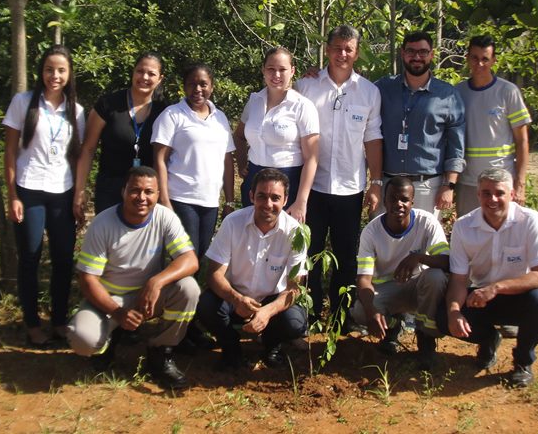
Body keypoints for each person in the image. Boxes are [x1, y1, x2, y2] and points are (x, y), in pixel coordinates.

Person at [66, 166, 200, 390]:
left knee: (189, 289)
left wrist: (156, 281)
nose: (142, 197)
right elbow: (87, 279)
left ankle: (160, 352)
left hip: (146, 297)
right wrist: (117, 312)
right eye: (135, 190)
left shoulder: (164, 217)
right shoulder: (103, 223)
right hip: (110, 299)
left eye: (149, 192)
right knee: (82, 340)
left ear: (158, 195)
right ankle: (109, 340)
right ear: (123, 191)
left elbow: (190, 260)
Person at [295, 25, 383, 323]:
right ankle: (308, 314)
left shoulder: (369, 92)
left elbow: (372, 138)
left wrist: (376, 182)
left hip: (350, 188)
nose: (342, 54)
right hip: (313, 188)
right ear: (327, 49)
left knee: (346, 257)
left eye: (348, 49)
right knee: (311, 253)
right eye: (337, 48)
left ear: (357, 52)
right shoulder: (306, 86)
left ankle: (340, 318)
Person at [438, 167, 538, 388]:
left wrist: (497, 288)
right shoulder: (464, 226)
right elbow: (458, 280)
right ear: (477, 195)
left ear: (512, 195)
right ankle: (488, 339)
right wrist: (454, 312)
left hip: (520, 297)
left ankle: (523, 361)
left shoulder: (530, 221)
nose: (492, 199)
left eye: (499, 193)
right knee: (444, 316)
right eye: (486, 193)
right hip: (480, 299)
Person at [2, 45, 85, 347]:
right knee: (30, 258)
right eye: (50, 69)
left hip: (62, 192)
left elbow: (77, 156)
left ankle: (60, 321)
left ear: (69, 74)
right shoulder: (23, 103)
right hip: (29, 189)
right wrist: (13, 195)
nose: (55, 75)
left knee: (64, 259)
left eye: (61, 70)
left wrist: (78, 194)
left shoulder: (75, 110)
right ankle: (32, 323)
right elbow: (10, 151)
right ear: (41, 71)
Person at [196, 168, 308, 371]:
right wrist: (236, 299)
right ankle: (231, 349)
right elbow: (213, 274)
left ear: (285, 200)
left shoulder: (295, 232)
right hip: (234, 298)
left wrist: (266, 311)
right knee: (206, 305)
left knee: (295, 322)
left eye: (275, 198)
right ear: (251, 196)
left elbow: (294, 288)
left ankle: (272, 347)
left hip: (271, 301)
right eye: (261, 196)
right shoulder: (232, 223)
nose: (268, 204)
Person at [352, 177, 449, 371]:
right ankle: (394, 326)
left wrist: (419, 258)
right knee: (361, 311)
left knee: (436, 277)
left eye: (404, 199)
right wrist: (372, 312)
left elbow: (448, 261)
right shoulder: (371, 232)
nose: (399, 204)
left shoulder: (426, 222)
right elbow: (363, 279)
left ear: (412, 201)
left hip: (418, 287)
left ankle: (426, 339)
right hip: (387, 290)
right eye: (393, 199)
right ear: (385, 201)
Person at [374, 32, 465, 215]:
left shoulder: (447, 95)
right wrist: (316, 74)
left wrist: (449, 185)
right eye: (411, 51)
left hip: (427, 187)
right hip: (388, 184)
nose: (416, 57)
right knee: (386, 241)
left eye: (423, 52)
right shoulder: (383, 88)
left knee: (423, 242)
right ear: (402, 53)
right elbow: (354, 87)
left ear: (432, 54)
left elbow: (456, 145)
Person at [151, 63, 236, 259]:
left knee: (201, 255)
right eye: (192, 84)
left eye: (203, 84)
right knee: (185, 256)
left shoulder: (220, 118)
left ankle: (188, 290)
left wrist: (229, 200)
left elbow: (227, 161)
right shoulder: (172, 115)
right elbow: (159, 159)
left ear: (212, 87)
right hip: (181, 197)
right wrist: (164, 199)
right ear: (184, 86)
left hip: (210, 201)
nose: (198, 89)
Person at [73, 51, 166, 223]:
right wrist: (80, 190)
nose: (144, 77)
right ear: (133, 71)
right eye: (140, 71)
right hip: (110, 189)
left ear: (160, 79)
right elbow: (88, 149)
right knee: (109, 245)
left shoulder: (164, 112)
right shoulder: (108, 104)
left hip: (145, 194)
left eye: (151, 74)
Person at [234, 47, 319, 223]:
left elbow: (312, 157)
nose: (276, 75)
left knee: (283, 243)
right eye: (271, 69)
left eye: (282, 69)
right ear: (263, 70)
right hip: (255, 179)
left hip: (289, 181)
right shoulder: (254, 101)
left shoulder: (302, 106)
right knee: (251, 236)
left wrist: (301, 201)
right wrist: (242, 164)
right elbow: (239, 136)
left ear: (292, 71)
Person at [455, 35, 532, 217]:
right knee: (470, 235)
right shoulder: (458, 92)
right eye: (474, 58)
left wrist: (520, 183)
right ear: (467, 58)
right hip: (468, 181)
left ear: (494, 60)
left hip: (500, 181)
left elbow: (522, 141)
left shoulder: (508, 92)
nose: (479, 64)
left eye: (485, 59)